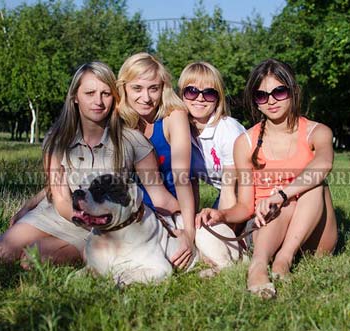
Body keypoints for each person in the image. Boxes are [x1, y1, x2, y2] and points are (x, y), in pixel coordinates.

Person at [0, 61, 179, 266]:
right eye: (89, 93)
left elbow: (159, 195)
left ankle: (73, 249)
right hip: (58, 213)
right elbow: (61, 198)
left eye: (105, 94)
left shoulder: (132, 140)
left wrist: (188, 227)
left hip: (101, 223)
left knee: (32, 260)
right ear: (75, 97)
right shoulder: (57, 139)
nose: (98, 101)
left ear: (115, 98)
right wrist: (34, 205)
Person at [196, 58, 338, 299]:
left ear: (293, 91)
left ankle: (284, 259)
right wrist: (222, 215)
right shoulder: (246, 143)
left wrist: (281, 194)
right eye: (262, 96)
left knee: (314, 185)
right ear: (255, 102)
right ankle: (259, 265)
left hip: (315, 236)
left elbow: (324, 164)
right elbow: (245, 206)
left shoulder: (318, 131)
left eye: (278, 92)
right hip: (266, 232)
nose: (271, 100)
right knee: (273, 208)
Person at [116, 52, 199, 269]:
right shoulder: (118, 119)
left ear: (163, 88)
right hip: (132, 211)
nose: (146, 98)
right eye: (137, 88)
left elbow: (183, 179)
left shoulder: (174, 116)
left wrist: (189, 235)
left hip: (172, 210)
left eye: (153, 88)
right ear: (124, 87)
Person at [177, 61, 246, 216]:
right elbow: (192, 185)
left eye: (209, 93)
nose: (200, 98)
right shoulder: (181, 131)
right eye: (192, 91)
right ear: (181, 94)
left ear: (218, 98)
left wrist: (223, 226)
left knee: (214, 233)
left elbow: (231, 190)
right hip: (226, 194)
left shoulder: (228, 130)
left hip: (252, 192)